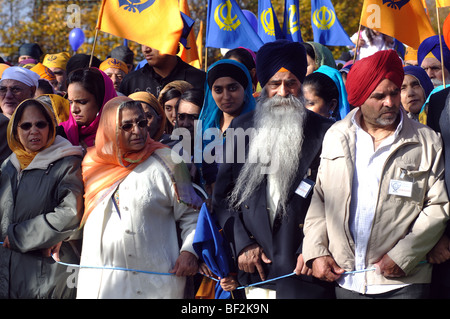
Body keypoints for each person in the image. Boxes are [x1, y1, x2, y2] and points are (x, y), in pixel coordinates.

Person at [302, 50, 449, 299]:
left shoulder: (425, 141)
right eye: (379, 96)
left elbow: (437, 206)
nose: (390, 102)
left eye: (394, 93)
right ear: (360, 98)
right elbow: (321, 199)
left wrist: (404, 256)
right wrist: (315, 251)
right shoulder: (337, 136)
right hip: (347, 280)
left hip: (404, 281)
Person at [212, 39, 335, 299]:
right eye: (274, 84)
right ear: (262, 87)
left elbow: (338, 200)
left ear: (301, 84)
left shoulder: (327, 132)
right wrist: (243, 243)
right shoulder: (240, 129)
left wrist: (313, 248)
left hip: (305, 269)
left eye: (291, 82)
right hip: (255, 269)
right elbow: (223, 200)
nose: (283, 92)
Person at [76, 96, 202, 299]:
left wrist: (189, 252)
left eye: (141, 123)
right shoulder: (92, 165)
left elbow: (193, 216)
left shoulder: (170, 162)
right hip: (102, 285)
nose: (137, 131)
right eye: (126, 126)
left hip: (156, 283)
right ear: (109, 127)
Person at [0, 98, 84, 298]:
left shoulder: (67, 162)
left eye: (40, 124)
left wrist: (18, 236)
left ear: (51, 127)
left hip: (48, 274)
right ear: (16, 130)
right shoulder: (9, 166)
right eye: (26, 126)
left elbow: (70, 213)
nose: (34, 131)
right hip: (9, 270)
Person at [197, 59, 256, 198]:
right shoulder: (206, 126)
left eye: (232, 88)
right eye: (218, 90)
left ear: (245, 88)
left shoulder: (258, 126)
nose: (226, 96)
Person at [61, 67, 117, 150]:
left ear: (101, 101)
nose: (74, 110)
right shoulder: (61, 134)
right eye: (71, 102)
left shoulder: (120, 136)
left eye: (82, 102)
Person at [119, 45, 205, 97]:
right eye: (143, 43)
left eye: (153, 42)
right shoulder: (130, 82)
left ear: (173, 41)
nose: (146, 49)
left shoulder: (201, 80)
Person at [0, 66, 40, 163]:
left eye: (15, 89)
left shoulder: (42, 125)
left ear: (32, 91)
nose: (8, 95)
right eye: (3, 89)